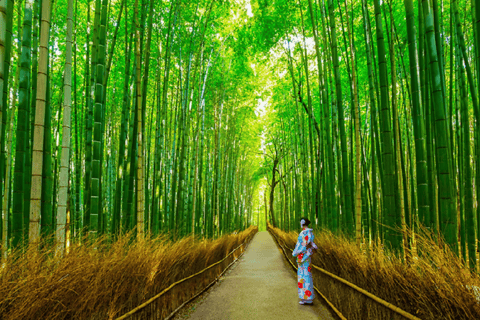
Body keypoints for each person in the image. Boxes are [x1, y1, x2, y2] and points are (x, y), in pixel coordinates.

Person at [292, 217, 318, 305]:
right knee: (308, 276)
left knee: (302, 277)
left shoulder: (303, 233)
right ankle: (308, 298)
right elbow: (312, 244)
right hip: (307, 256)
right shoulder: (310, 233)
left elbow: (300, 245)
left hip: (302, 256)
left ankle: (305, 298)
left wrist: (295, 252)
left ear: (302, 223)